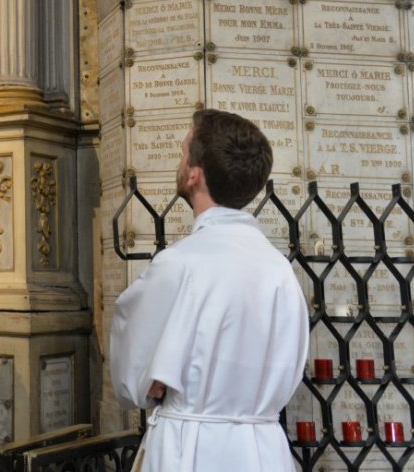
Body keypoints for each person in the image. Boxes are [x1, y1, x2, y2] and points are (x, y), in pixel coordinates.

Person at [109, 109, 308, 472]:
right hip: (265, 451)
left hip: (192, 449)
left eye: (184, 151)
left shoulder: (180, 264)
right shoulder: (279, 269)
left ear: (195, 175)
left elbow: (131, 377)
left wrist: (149, 379)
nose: (180, 160)